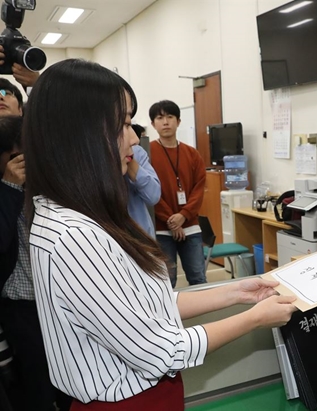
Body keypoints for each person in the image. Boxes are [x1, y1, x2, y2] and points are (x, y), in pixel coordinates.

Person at [23, 59, 297, 409]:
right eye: (123, 123)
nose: (134, 137)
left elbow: (145, 308)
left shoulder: (74, 214)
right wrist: (256, 318)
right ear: (82, 133)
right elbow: (161, 351)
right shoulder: (75, 235)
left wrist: (236, 292)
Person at [0, 81, 73, 411]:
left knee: (67, 380)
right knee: (37, 386)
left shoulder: (47, 180)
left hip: (56, 299)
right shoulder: (7, 189)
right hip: (20, 306)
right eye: (15, 155)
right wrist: (9, 189)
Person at [149, 100, 207, 287]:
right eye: (160, 118)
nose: (165, 122)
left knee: (198, 278)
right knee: (167, 281)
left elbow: (199, 189)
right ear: (153, 124)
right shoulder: (146, 153)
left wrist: (183, 216)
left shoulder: (192, 154)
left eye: (170, 117)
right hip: (161, 229)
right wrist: (171, 221)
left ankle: (205, 316)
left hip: (190, 227)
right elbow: (149, 191)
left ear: (178, 122)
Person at [126, 123, 161, 238]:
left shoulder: (136, 152)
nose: (136, 140)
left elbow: (153, 196)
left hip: (142, 239)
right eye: (125, 125)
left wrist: (129, 159)